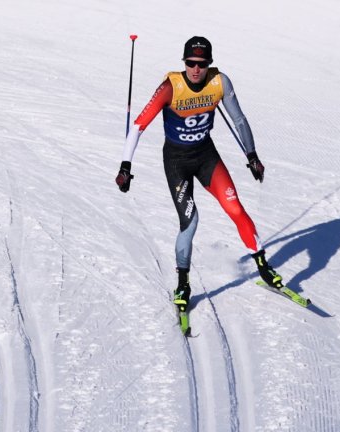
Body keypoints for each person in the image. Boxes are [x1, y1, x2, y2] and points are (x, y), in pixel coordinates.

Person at [115, 36, 282, 315]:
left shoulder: (220, 83)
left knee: (234, 207)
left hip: (206, 157)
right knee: (190, 222)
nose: (196, 69)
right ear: (184, 63)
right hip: (177, 162)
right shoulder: (171, 87)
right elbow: (138, 126)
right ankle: (183, 283)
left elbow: (239, 120)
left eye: (201, 64)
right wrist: (125, 166)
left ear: (209, 64)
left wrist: (252, 156)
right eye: (191, 63)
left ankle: (263, 265)